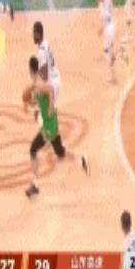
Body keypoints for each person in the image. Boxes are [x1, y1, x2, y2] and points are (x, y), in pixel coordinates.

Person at [24, 56, 89, 198]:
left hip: (48, 125)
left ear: (30, 70)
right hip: (52, 123)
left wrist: (51, 107)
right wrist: (30, 104)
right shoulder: (37, 84)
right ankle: (81, 158)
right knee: (60, 151)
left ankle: (35, 185)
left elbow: (51, 90)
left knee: (33, 149)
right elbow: (38, 101)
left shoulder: (39, 84)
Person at [94, 0, 128, 83]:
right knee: (110, 50)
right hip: (113, 22)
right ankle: (114, 74)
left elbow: (105, 15)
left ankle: (121, 53)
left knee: (106, 52)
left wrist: (101, 28)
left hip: (108, 26)